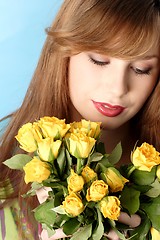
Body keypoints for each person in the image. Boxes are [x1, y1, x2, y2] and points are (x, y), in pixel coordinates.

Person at [0, 0, 160, 239]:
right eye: (99, 60)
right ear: (63, 51)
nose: (117, 88)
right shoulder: (5, 156)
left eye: (140, 68)